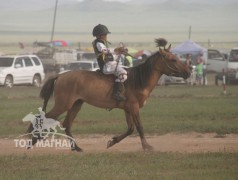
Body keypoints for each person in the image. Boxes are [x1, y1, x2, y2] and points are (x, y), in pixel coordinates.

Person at [92, 24, 127, 101]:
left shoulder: (101, 43)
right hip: (107, 66)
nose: (106, 36)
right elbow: (105, 51)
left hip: (110, 64)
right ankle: (116, 94)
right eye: (105, 34)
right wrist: (116, 50)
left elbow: (109, 55)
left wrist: (119, 52)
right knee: (123, 74)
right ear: (100, 35)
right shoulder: (99, 44)